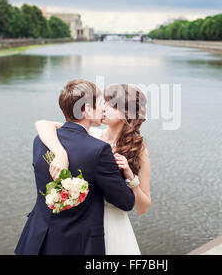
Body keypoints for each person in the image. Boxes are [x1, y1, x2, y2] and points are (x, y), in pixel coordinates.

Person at [14, 79, 136, 255]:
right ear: (86, 109)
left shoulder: (41, 140)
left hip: (35, 241)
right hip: (76, 246)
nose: (103, 109)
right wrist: (129, 177)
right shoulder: (98, 150)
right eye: (101, 103)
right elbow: (125, 202)